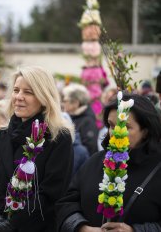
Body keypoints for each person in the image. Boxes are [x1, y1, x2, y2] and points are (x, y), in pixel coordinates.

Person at [0, 66, 74, 232]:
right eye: (16, 90)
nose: (18, 97)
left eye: (28, 92)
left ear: (44, 97)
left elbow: (51, 193)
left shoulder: (58, 138)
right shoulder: (2, 135)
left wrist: (13, 226)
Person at [56, 93, 161, 232]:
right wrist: (81, 227)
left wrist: (135, 230)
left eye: (125, 127)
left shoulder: (157, 168)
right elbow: (66, 202)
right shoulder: (95, 161)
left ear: (145, 131)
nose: (116, 133)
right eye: (112, 125)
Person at [61, 84, 99, 155]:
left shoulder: (88, 121)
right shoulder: (72, 116)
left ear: (76, 103)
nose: (63, 104)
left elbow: (89, 149)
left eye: (65, 101)